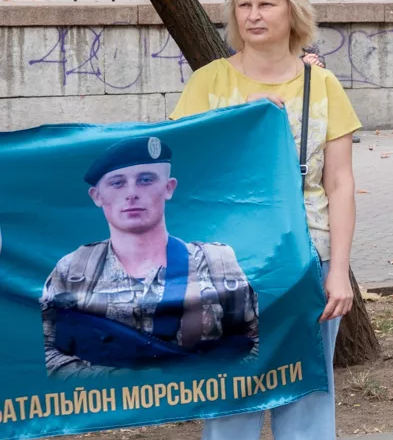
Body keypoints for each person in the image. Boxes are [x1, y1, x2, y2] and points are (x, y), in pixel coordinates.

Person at [168, 0, 358, 440]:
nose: (252, 16)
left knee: (306, 403)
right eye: (243, 5)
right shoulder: (208, 84)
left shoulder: (322, 87)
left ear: (291, 13)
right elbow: (183, 180)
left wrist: (339, 273)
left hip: (303, 266)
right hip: (224, 271)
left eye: (266, 4)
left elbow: (340, 184)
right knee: (229, 407)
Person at [40, 137, 258, 378]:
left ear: (169, 188)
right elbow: (46, 352)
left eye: (145, 180)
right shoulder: (73, 269)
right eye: (117, 183)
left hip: (194, 404)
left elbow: (254, 341)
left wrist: (204, 384)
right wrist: (122, 386)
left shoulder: (215, 262)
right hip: (108, 410)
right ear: (96, 196)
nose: (132, 193)